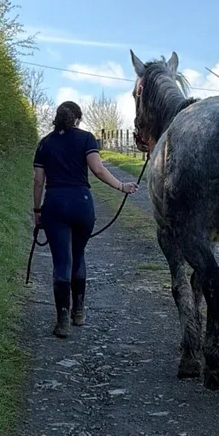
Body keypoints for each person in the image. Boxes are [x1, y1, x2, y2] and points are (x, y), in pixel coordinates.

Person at [33, 101, 138, 338]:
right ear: (78, 119)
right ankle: (79, 312)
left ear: (56, 118)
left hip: (55, 204)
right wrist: (122, 186)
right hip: (82, 203)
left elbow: (38, 180)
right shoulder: (87, 138)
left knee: (62, 261)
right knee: (78, 255)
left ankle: (62, 320)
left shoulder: (45, 143)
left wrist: (37, 211)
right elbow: (98, 170)